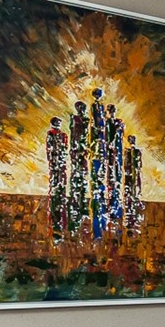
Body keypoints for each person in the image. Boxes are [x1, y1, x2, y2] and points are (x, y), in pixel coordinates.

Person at [67, 100, 89, 239]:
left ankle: (81, 209)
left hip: (81, 151)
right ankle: (77, 213)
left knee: (82, 182)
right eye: (80, 108)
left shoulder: (84, 119)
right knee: (76, 182)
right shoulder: (74, 119)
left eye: (83, 108)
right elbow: (72, 134)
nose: (82, 110)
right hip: (77, 151)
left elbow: (85, 135)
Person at [44, 116, 69, 240]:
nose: (58, 125)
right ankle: (56, 223)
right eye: (56, 123)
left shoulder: (63, 135)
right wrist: (54, 161)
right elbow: (50, 151)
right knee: (56, 193)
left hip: (59, 167)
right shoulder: (51, 135)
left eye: (58, 123)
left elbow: (64, 149)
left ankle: (59, 223)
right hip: (56, 167)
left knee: (59, 192)